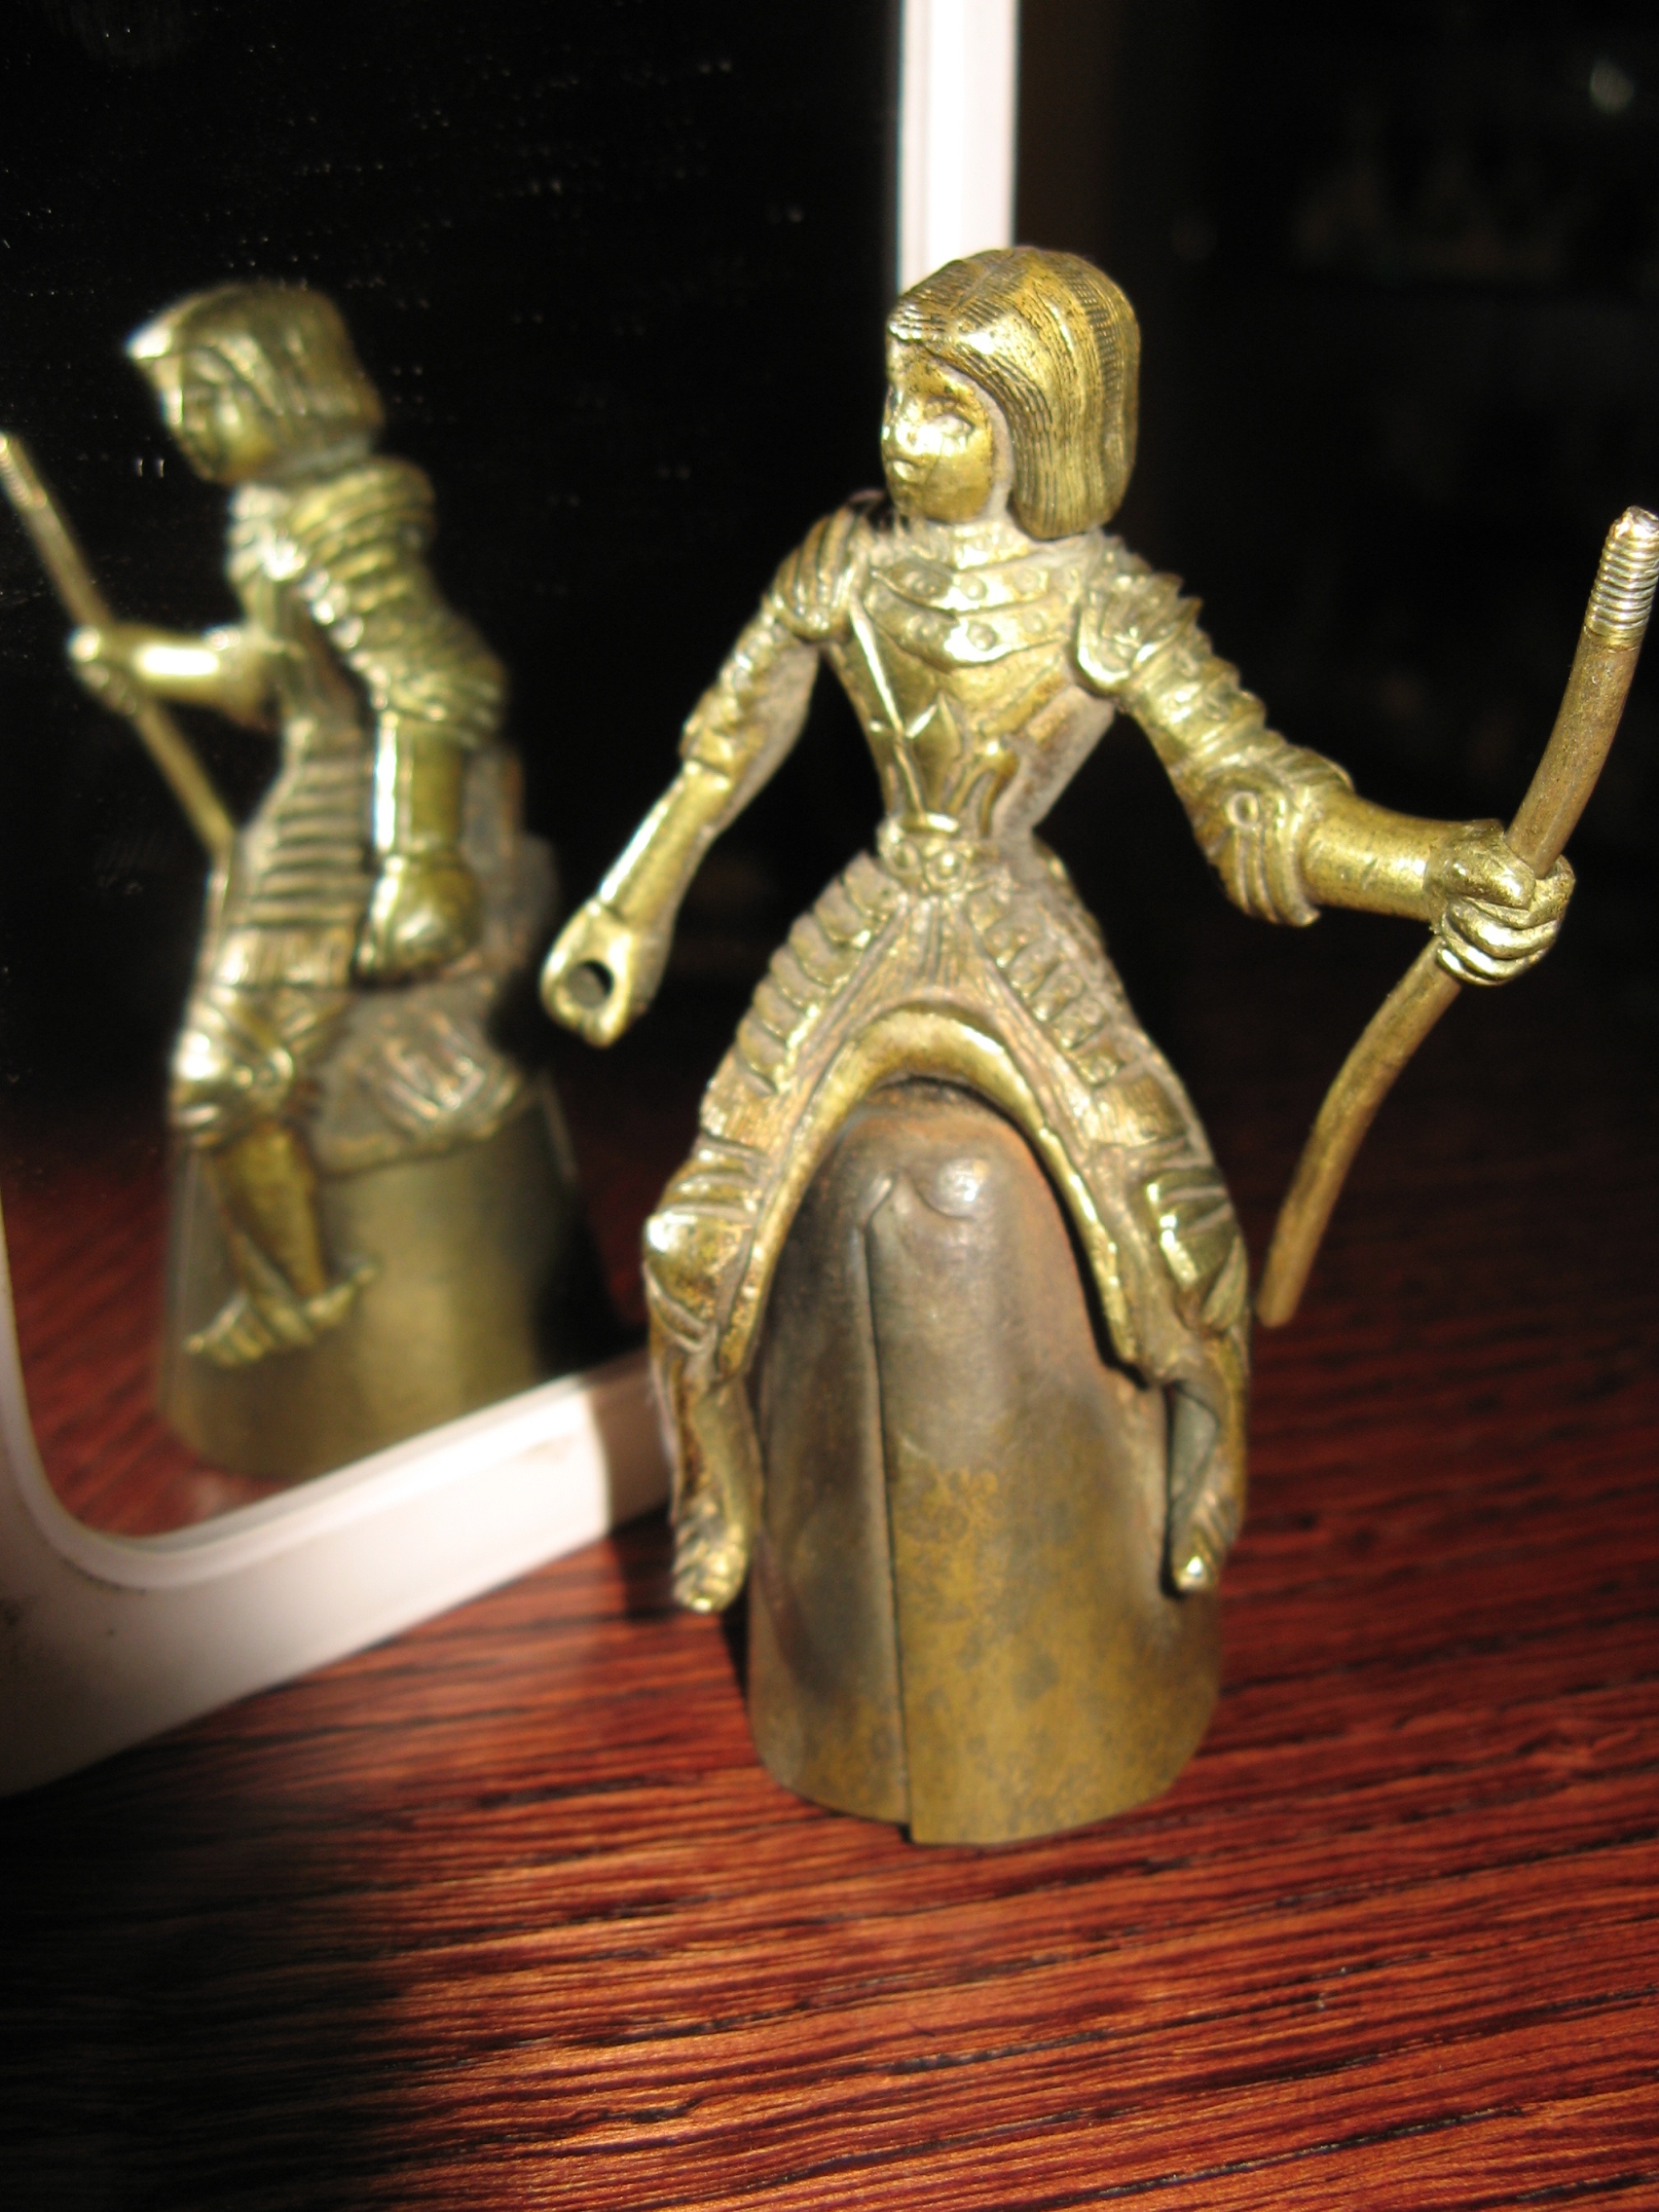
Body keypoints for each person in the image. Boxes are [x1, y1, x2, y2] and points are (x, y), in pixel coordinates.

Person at [543, 247, 1567, 1741]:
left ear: (1045, 431)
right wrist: (631, 906)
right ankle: (718, 1496)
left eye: (951, 410)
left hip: (1015, 926)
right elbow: (726, 744)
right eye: (898, 395)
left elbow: (1256, 801)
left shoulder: (1107, 603)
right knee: (692, 1249)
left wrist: (1435, 868)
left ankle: (1206, 1463)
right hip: (873, 915)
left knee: (1182, 1240)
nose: (904, 435)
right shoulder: (843, 561)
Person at [72, 283, 529, 1369]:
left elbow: (435, 680)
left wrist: (421, 858)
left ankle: (302, 1301)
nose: (186, 425)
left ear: (284, 383)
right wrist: (152, 661)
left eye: (207, 395)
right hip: (318, 795)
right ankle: (290, 1295)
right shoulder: (277, 518)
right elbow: (273, 676)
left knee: (227, 1081)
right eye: (176, 402)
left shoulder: (344, 522)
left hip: (363, 806)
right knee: (225, 1081)